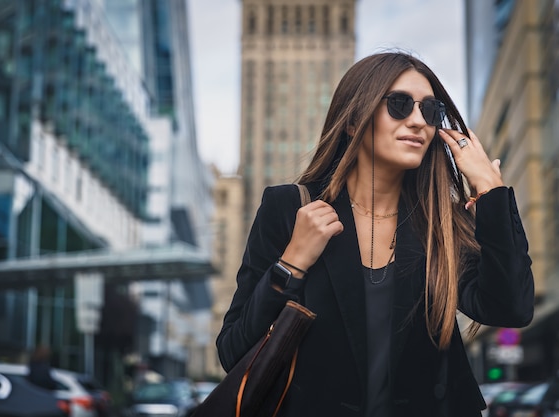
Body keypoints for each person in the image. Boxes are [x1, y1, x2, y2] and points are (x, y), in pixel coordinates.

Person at [216, 52, 534, 417]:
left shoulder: (440, 223)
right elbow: (233, 352)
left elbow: (511, 306)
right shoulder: (289, 208)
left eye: (430, 111)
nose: (418, 121)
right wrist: (291, 264)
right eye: (399, 105)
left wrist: (491, 193)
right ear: (354, 119)